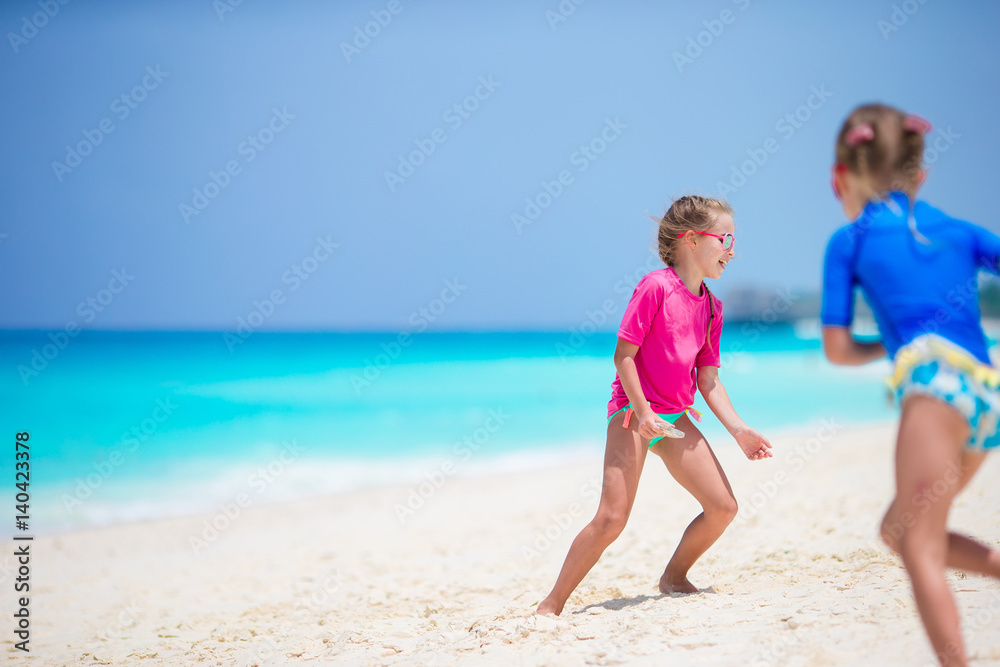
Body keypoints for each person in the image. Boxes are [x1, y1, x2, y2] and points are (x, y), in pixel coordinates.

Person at [822, 103, 1000, 666]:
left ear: (840, 177)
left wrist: (893, 346)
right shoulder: (961, 232)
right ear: (920, 175)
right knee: (901, 529)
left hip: (931, 390)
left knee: (918, 545)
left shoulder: (847, 242)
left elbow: (838, 348)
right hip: (985, 397)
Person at [536, 195, 773, 617]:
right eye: (726, 238)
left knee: (723, 507)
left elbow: (708, 380)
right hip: (633, 411)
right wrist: (644, 413)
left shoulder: (713, 308)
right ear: (690, 240)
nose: (732, 250)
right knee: (612, 518)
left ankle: (674, 577)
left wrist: (739, 430)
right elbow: (623, 355)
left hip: (675, 416)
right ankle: (551, 605)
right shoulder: (655, 288)